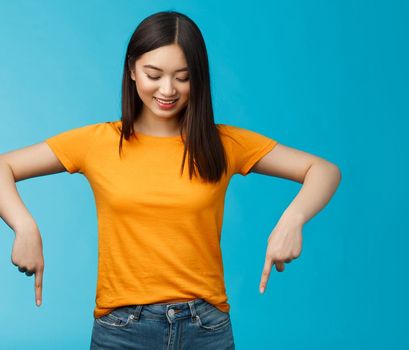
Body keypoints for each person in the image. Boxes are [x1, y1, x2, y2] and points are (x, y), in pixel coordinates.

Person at [0, 11, 341, 349]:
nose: (168, 89)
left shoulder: (222, 144)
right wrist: (24, 225)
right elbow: (4, 166)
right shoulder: (97, 143)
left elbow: (323, 170)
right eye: (154, 74)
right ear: (132, 69)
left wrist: (292, 219)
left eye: (183, 77)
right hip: (122, 330)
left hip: (206, 329)